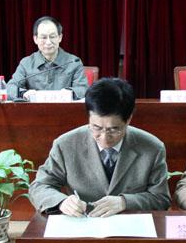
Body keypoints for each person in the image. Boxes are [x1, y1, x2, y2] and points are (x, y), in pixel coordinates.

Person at [29, 77, 171, 217]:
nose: (104, 138)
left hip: (130, 224)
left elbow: (161, 199)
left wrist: (125, 202)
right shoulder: (66, 144)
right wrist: (62, 202)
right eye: (96, 127)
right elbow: (39, 186)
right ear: (88, 117)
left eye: (113, 129)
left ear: (128, 119)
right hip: (83, 223)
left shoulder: (152, 147)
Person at [8, 15, 89, 100]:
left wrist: (70, 92)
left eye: (52, 36)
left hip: (64, 108)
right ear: (35, 39)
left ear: (60, 37)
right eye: (43, 37)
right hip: (35, 108)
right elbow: (10, 88)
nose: (48, 42)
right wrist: (23, 93)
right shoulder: (26, 63)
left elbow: (83, 89)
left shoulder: (74, 62)